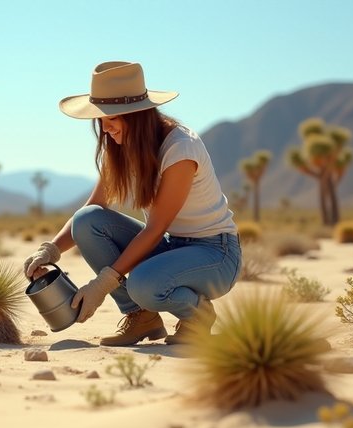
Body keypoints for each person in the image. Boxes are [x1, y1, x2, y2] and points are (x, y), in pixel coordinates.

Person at [23, 61, 241, 346]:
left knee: (143, 284)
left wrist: (102, 285)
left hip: (216, 253)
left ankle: (197, 315)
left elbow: (154, 228)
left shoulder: (180, 148)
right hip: (171, 245)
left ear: (135, 116)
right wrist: (50, 251)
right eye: (101, 122)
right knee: (87, 221)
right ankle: (142, 317)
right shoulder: (123, 146)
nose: (106, 131)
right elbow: (92, 208)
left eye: (111, 122)